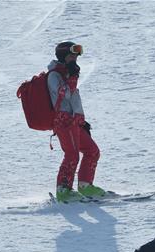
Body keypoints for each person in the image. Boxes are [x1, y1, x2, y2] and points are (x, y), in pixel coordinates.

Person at [47, 41, 104, 203]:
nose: (75, 60)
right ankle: (63, 190)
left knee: (92, 151)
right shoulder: (54, 75)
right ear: (63, 57)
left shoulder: (66, 72)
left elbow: (73, 99)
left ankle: (85, 186)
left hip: (74, 121)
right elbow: (64, 94)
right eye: (72, 56)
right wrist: (72, 76)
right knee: (71, 155)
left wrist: (81, 120)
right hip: (64, 122)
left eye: (76, 57)